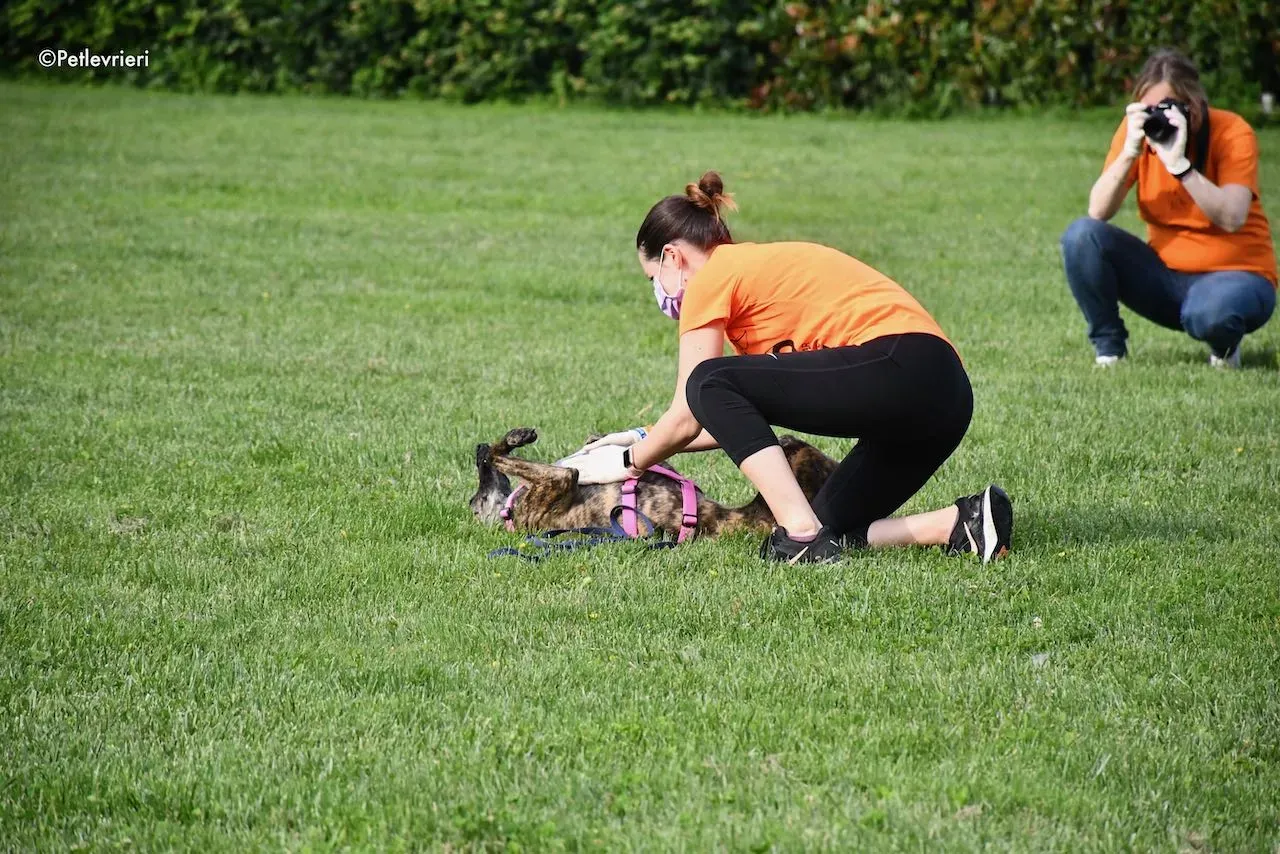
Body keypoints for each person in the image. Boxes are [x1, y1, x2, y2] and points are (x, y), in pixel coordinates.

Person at [558, 171, 1013, 564]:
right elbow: (726, 417)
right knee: (831, 524)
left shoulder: (714, 274)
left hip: (907, 365)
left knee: (708, 380)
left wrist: (626, 463)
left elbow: (695, 403)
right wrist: (639, 436)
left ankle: (801, 536)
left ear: (673, 257)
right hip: (944, 396)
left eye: (652, 277)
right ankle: (963, 523)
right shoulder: (748, 296)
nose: (658, 292)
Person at [1060, 49, 1276, 368]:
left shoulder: (1232, 132)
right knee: (1082, 236)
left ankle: (1224, 345)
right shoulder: (1140, 132)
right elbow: (1098, 211)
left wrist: (1181, 167)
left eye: (1167, 108)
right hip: (1167, 279)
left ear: (1194, 105)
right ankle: (1109, 350)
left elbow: (1232, 217)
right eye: (1149, 109)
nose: (1158, 117)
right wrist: (1129, 152)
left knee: (1210, 312)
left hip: (1238, 276)